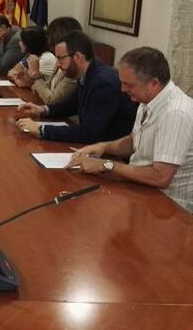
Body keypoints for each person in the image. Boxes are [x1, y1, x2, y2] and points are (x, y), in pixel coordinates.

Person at [68, 48, 192, 212]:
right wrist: (103, 147)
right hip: (140, 190)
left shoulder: (175, 113)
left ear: (154, 83)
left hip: (169, 207)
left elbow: (161, 177)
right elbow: (135, 140)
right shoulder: (147, 99)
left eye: (129, 84)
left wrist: (107, 165)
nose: (123, 89)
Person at [16, 31, 137, 143]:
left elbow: (88, 132)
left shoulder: (103, 82)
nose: (58, 65)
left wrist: (41, 129)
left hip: (109, 150)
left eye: (60, 59)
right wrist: (42, 110)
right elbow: (72, 104)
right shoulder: (89, 72)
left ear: (78, 57)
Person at [23, 16, 82, 105]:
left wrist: (36, 77)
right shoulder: (59, 58)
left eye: (49, 37)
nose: (48, 41)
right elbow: (48, 87)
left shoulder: (72, 65)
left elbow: (51, 100)